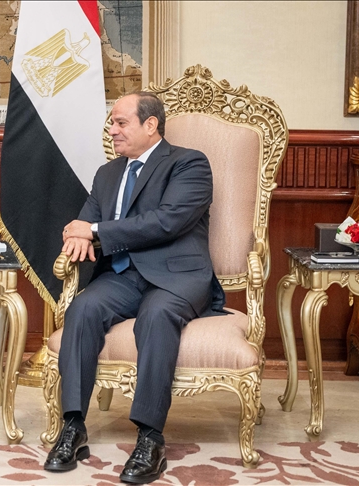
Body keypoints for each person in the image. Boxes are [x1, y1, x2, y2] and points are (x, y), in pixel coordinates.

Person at [43, 92, 225, 484]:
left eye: (121, 122)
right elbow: (85, 224)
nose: (112, 130)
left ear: (150, 125)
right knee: (83, 308)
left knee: (156, 316)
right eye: (112, 122)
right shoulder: (107, 174)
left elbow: (167, 222)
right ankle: (73, 427)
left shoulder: (188, 163)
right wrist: (77, 234)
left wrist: (93, 230)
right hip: (123, 277)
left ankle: (150, 438)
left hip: (176, 276)